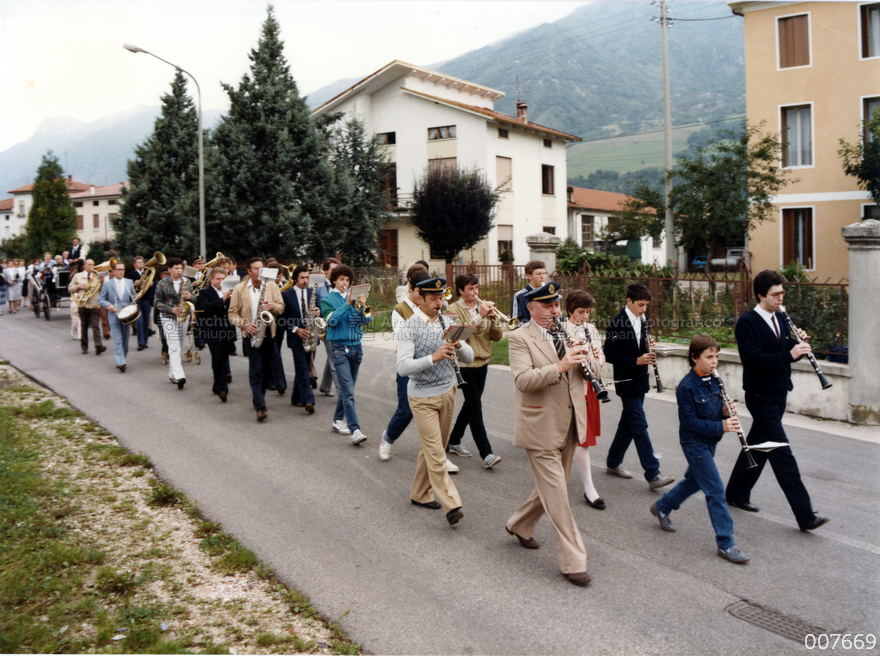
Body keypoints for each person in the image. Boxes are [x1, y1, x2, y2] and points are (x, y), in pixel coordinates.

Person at [725, 269, 830, 532]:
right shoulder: (747, 323)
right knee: (782, 454)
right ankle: (805, 515)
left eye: (782, 293)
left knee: (759, 446)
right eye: (775, 294)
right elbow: (754, 361)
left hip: (779, 392)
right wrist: (791, 353)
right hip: (760, 396)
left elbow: (781, 351)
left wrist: (797, 345)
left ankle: (736, 493)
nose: (780, 298)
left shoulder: (780, 317)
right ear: (761, 295)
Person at [505, 282, 591, 587]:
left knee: (556, 484)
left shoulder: (571, 331)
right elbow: (523, 380)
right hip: (539, 424)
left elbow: (588, 370)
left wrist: (590, 356)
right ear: (532, 308)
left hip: (569, 421)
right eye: (548, 306)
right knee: (557, 494)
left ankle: (519, 524)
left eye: (557, 305)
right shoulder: (519, 338)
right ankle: (573, 560)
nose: (555, 311)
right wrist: (560, 365)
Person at [650, 335, 750, 564]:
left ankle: (662, 506)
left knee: (696, 481)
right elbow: (689, 423)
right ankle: (726, 544)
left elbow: (715, 411)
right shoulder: (686, 387)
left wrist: (725, 411)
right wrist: (722, 425)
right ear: (694, 358)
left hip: (710, 441)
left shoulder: (714, 379)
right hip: (694, 443)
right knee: (715, 490)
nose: (714, 362)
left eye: (716, 357)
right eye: (709, 357)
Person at [397, 277, 474, 526]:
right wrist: (434, 357)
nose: (438, 303)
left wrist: (458, 342)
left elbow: (470, 358)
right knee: (436, 452)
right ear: (421, 298)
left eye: (441, 298)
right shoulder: (408, 326)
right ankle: (452, 504)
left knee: (433, 448)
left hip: (448, 391)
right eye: (433, 299)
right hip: (422, 397)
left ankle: (420, 494)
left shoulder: (448, 321)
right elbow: (403, 367)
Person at [380, 268, 466, 472]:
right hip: (413, 366)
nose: (424, 297)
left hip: (437, 373)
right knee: (405, 411)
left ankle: (440, 456)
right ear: (411, 289)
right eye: (421, 292)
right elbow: (404, 343)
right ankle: (388, 438)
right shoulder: (400, 310)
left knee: (439, 421)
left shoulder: (436, 309)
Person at [603, 283, 674, 490]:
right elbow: (610, 353)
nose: (643, 309)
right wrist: (637, 360)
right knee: (640, 425)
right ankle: (653, 474)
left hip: (641, 380)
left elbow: (639, 346)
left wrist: (647, 348)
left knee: (628, 425)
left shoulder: (643, 320)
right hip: (626, 381)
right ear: (629, 301)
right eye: (640, 305)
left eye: (646, 305)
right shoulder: (617, 323)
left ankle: (613, 462)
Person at [447, 273, 504, 468]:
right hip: (465, 365)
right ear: (461, 290)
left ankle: (454, 440)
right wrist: (479, 315)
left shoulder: (483, 309)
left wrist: (494, 319)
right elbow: (461, 334)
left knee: (471, 405)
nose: (475, 292)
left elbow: (496, 337)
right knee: (475, 407)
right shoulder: (453, 309)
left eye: (476, 288)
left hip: (483, 363)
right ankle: (487, 454)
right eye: (470, 289)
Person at [228, 257, 285, 422]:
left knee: (267, 369)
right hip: (250, 332)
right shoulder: (239, 289)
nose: (260, 271)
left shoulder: (272, 285)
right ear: (249, 271)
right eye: (255, 269)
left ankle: (258, 396)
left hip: (268, 331)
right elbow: (232, 314)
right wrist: (244, 324)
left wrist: (271, 307)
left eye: (262, 268)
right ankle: (261, 407)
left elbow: (281, 307)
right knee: (256, 368)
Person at [320, 264, 372, 444]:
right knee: (347, 390)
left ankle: (337, 419)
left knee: (350, 387)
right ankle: (355, 430)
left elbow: (367, 320)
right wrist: (347, 304)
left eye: (348, 280)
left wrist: (362, 306)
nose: (345, 282)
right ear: (334, 280)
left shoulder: (355, 298)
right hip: (339, 348)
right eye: (342, 279)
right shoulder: (327, 299)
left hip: (356, 347)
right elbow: (331, 321)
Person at [565, 290, 607, 509]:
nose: (585, 316)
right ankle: (589, 489)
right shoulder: (564, 329)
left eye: (588, 312)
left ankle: (583, 486)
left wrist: (597, 358)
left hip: (591, 387)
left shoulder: (591, 329)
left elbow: (600, 358)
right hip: (573, 390)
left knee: (583, 438)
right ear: (570, 310)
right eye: (581, 312)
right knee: (581, 439)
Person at [280, 265, 317, 414]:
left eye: (307, 277)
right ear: (295, 279)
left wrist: (317, 312)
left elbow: (318, 309)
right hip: (296, 337)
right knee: (302, 368)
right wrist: (296, 329)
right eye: (302, 277)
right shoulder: (286, 294)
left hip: (309, 335)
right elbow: (281, 320)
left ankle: (296, 397)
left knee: (304, 366)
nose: (305, 280)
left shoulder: (312, 292)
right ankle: (309, 399)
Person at [154, 258, 194, 390]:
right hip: (168, 317)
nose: (179, 271)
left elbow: (194, 298)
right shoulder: (161, 283)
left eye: (181, 268)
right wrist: (170, 309)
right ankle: (179, 376)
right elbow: (156, 303)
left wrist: (190, 297)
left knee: (179, 345)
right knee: (174, 345)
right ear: (170, 269)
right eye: (176, 268)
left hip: (183, 316)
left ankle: (172, 374)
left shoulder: (187, 282)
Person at [197, 267, 236, 403]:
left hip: (227, 330)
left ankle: (216, 385)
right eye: (218, 279)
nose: (220, 281)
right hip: (213, 330)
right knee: (218, 359)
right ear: (211, 279)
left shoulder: (230, 291)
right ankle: (222, 389)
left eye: (223, 279)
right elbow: (205, 307)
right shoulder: (205, 292)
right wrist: (222, 299)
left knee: (224, 359)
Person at [98, 261, 138, 373]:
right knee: (117, 340)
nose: (121, 272)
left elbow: (133, 297)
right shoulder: (107, 284)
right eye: (119, 270)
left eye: (123, 269)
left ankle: (122, 359)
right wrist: (108, 305)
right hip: (114, 315)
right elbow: (100, 300)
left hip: (126, 316)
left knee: (125, 341)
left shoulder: (129, 282)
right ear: (114, 271)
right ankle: (121, 362)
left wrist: (137, 297)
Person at [68, 259, 106, 356]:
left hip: (94, 305)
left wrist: (103, 283)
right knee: (84, 327)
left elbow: (103, 291)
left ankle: (98, 346)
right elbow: (70, 288)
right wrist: (78, 287)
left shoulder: (97, 276)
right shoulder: (78, 276)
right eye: (89, 264)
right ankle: (84, 347)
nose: (91, 266)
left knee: (95, 326)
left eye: (93, 264)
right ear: (84, 266)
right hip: (83, 305)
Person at [316, 257, 341, 396]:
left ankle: (325, 386)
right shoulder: (318, 285)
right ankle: (342, 394)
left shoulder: (341, 285)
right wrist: (318, 310)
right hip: (326, 326)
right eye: (333, 270)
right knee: (335, 358)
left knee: (331, 356)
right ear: (325, 271)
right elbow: (312, 303)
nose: (337, 272)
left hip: (339, 324)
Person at [126, 255, 154, 352]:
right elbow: (127, 288)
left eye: (142, 262)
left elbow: (153, 285)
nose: (141, 264)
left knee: (146, 320)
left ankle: (145, 341)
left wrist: (151, 284)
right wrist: (133, 284)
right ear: (135, 265)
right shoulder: (131, 275)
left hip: (146, 299)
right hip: (137, 300)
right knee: (139, 321)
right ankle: (140, 343)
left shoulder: (148, 273)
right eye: (138, 263)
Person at [511, 260, 547, 327]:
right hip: (529, 334)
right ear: (529, 276)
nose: (542, 277)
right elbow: (516, 322)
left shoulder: (549, 294)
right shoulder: (519, 296)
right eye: (538, 274)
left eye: (544, 273)